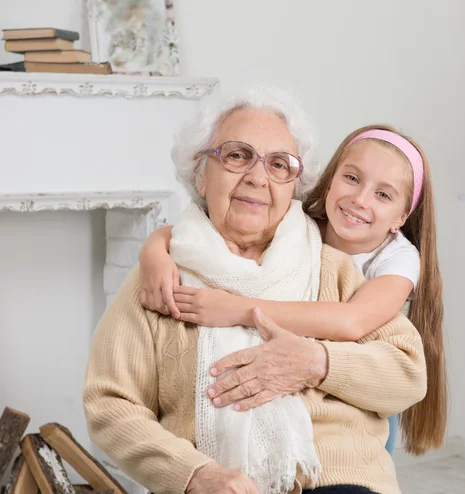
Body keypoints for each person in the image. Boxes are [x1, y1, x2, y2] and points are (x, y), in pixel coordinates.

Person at [84, 86, 427, 494]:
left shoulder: (330, 265)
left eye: (279, 164)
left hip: (338, 476)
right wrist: (195, 475)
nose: (257, 177)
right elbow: (110, 404)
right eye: (236, 155)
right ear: (200, 173)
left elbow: (407, 373)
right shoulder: (160, 280)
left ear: (293, 184)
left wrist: (319, 362)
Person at [139, 125, 446, 456]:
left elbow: (352, 322)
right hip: (298, 389)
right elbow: (196, 230)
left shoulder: (398, 259)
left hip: (357, 389)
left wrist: (239, 309)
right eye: (352, 178)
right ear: (331, 178)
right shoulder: (303, 222)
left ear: (400, 216)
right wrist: (154, 250)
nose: (359, 199)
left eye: (383, 194)